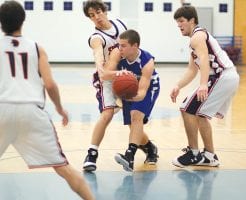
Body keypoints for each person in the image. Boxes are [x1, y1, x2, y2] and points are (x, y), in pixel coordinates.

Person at [0, 1, 94, 199]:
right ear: (23, 21)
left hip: (2, 109)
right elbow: (50, 85)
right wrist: (60, 108)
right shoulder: (36, 48)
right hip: (32, 112)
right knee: (64, 168)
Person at [171, 6, 239, 167]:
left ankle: (193, 154)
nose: (179, 25)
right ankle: (209, 155)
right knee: (200, 115)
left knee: (186, 108)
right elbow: (192, 69)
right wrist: (178, 86)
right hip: (225, 77)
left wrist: (203, 85)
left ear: (192, 20)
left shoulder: (198, 36)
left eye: (181, 21)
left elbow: (204, 60)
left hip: (222, 75)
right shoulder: (195, 40)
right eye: (177, 22)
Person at [101, 29, 160, 171]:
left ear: (135, 46)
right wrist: (118, 73)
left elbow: (141, 93)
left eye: (123, 45)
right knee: (134, 127)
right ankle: (150, 148)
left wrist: (129, 97)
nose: (119, 48)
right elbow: (105, 75)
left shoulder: (147, 61)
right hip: (128, 89)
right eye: (119, 45)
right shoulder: (117, 53)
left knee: (136, 116)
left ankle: (129, 156)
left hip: (148, 88)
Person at [82, 0, 127, 172]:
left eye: (98, 12)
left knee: (133, 118)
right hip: (108, 79)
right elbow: (97, 53)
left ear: (105, 11)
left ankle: (149, 147)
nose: (96, 17)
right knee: (107, 114)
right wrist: (100, 65)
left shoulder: (120, 24)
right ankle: (91, 154)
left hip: (125, 76)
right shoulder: (96, 37)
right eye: (92, 16)